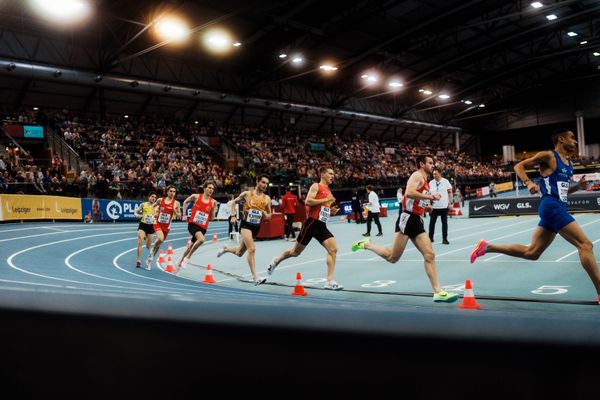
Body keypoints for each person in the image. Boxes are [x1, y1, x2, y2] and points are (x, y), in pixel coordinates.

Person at [470, 128, 600, 303]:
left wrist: (577, 188)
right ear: (561, 140)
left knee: (532, 252)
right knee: (586, 245)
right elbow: (518, 166)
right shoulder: (548, 156)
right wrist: (529, 182)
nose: (576, 142)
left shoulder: (569, 165)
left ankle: (487, 247)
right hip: (551, 207)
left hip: (557, 206)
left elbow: (561, 192)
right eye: (572, 138)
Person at [351, 155, 459, 303]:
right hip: (407, 219)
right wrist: (431, 197)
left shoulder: (425, 181)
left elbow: (415, 199)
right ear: (422, 164)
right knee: (392, 257)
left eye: (433, 163)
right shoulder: (417, 175)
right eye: (430, 163)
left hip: (417, 219)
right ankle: (367, 244)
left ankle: (438, 292)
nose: (433, 165)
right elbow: (409, 193)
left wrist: (425, 206)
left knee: (429, 255)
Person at [267, 167, 343, 290]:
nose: (333, 176)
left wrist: (331, 211)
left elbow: (322, 209)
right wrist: (326, 199)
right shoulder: (316, 186)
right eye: (330, 173)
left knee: (333, 250)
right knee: (295, 252)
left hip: (321, 225)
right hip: (311, 223)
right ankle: (276, 260)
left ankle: (329, 281)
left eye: (333, 174)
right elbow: (308, 201)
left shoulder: (329, 190)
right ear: (323, 174)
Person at [217, 175, 272, 285]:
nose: (265, 185)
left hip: (256, 227)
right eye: (263, 182)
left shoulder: (267, 199)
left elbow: (269, 215)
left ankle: (225, 249)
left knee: (239, 252)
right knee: (252, 249)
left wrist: (266, 214)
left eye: (266, 183)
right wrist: (233, 216)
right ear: (257, 181)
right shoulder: (247, 194)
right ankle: (255, 277)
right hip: (246, 225)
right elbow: (233, 202)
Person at [178, 182, 218, 270]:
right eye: (209, 187)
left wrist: (214, 209)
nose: (211, 190)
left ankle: (180, 262)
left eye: (212, 188)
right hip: (193, 224)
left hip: (203, 227)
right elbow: (185, 202)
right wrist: (184, 214)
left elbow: (211, 218)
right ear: (204, 189)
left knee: (191, 246)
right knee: (201, 240)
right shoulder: (196, 197)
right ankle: (187, 258)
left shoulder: (212, 202)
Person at [145, 185, 181, 270]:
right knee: (160, 239)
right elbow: (153, 206)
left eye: (174, 192)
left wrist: (174, 210)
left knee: (159, 244)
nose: (172, 193)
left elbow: (179, 214)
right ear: (167, 191)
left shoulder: (176, 203)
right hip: (158, 223)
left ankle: (150, 260)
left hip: (167, 226)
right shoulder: (160, 200)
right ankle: (151, 251)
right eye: (171, 191)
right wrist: (154, 213)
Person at [428, 168, 452, 244]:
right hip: (434, 207)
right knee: (432, 223)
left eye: (435, 174)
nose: (434, 175)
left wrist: (450, 203)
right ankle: (430, 238)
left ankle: (444, 239)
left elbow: (450, 193)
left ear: (440, 174)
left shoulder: (446, 182)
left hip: (444, 206)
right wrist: (428, 204)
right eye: (433, 174)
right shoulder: (431, 183)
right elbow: (428, 194)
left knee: (444, 223)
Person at [134, 192, 157, 269]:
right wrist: (137, 215)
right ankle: (138, 260)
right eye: (152, 196)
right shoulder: (143, 204)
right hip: (143, 225)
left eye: (155, 197)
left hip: (151, 227)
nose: (153, 198)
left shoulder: (157, 206)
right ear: (149, 197)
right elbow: (136, 212)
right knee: (140, 242)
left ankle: (146, 237)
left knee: (148, 246)